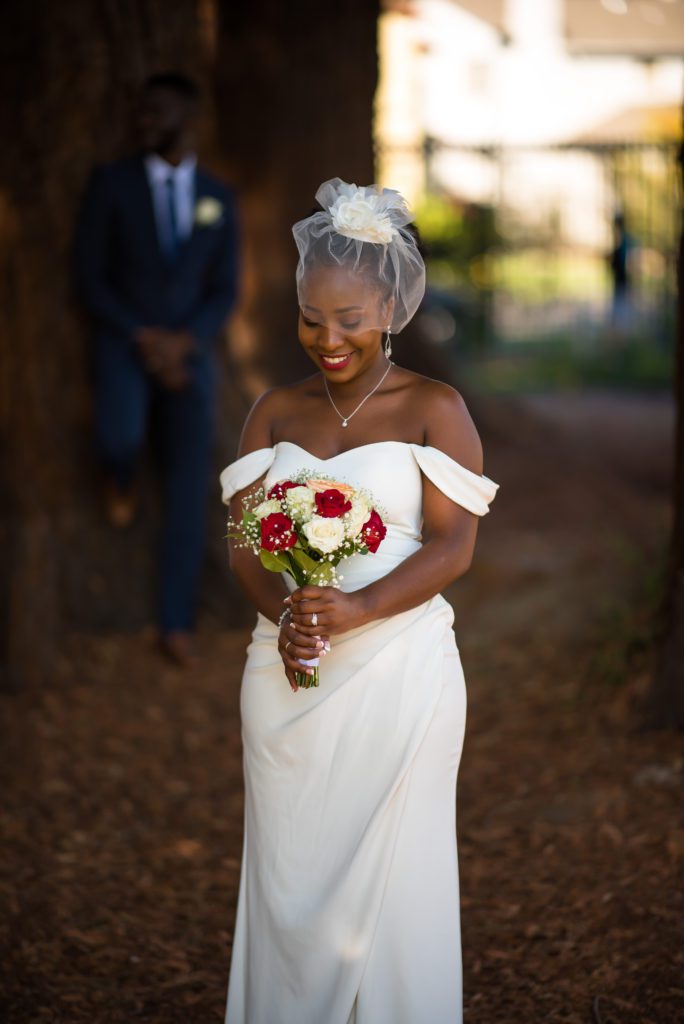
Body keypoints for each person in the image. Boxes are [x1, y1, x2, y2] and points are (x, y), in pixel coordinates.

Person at [219, 177, 499, 1023]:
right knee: (288, 876)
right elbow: (240, 544)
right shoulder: (273, 412)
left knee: (397, 873)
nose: (328, 338)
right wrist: (289, 617)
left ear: (389, 305)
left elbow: (455, 543)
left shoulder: (433, 408)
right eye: (312, 318)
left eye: (348, 319)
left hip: (399, 670)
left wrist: (361, 610)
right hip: (287, 676)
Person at [74, 72, 239, 666]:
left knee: (190, 490)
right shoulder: (111, 184)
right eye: (141, 112)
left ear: (188, 118)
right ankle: (119, 476)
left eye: (158, 111)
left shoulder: (219, 197)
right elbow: (88, 275)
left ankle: (176, 623)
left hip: (189, 357)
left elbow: (224, 290)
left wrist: (184, 342)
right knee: (120, 438)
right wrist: (141, 336)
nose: (146, 121)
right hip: (124, 345)